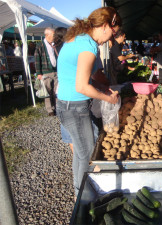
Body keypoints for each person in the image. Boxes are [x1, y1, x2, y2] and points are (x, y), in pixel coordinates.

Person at [56, 7, 121, 198]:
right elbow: (82, 86)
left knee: (81, 152)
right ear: (105, 26)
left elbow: (86, 75)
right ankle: (83, 197)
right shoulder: (89, 45)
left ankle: (79, 191)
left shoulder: (78, 38)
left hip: (66, 104)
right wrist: (108, 98)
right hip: (74, 108)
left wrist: (102, 88)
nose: (110, 39)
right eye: (112, 33)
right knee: (87, 154)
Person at [34, 27, 58, 116]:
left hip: (55, 71)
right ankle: (50, 109)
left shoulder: (54, 45)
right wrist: (39, 73)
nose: (55, 37)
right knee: (47, 92)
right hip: (45, 72)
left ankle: (57, 107)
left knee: (56, 91)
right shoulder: (40, 45)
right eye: (53, 35)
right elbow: (37, 59)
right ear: (47, 35)